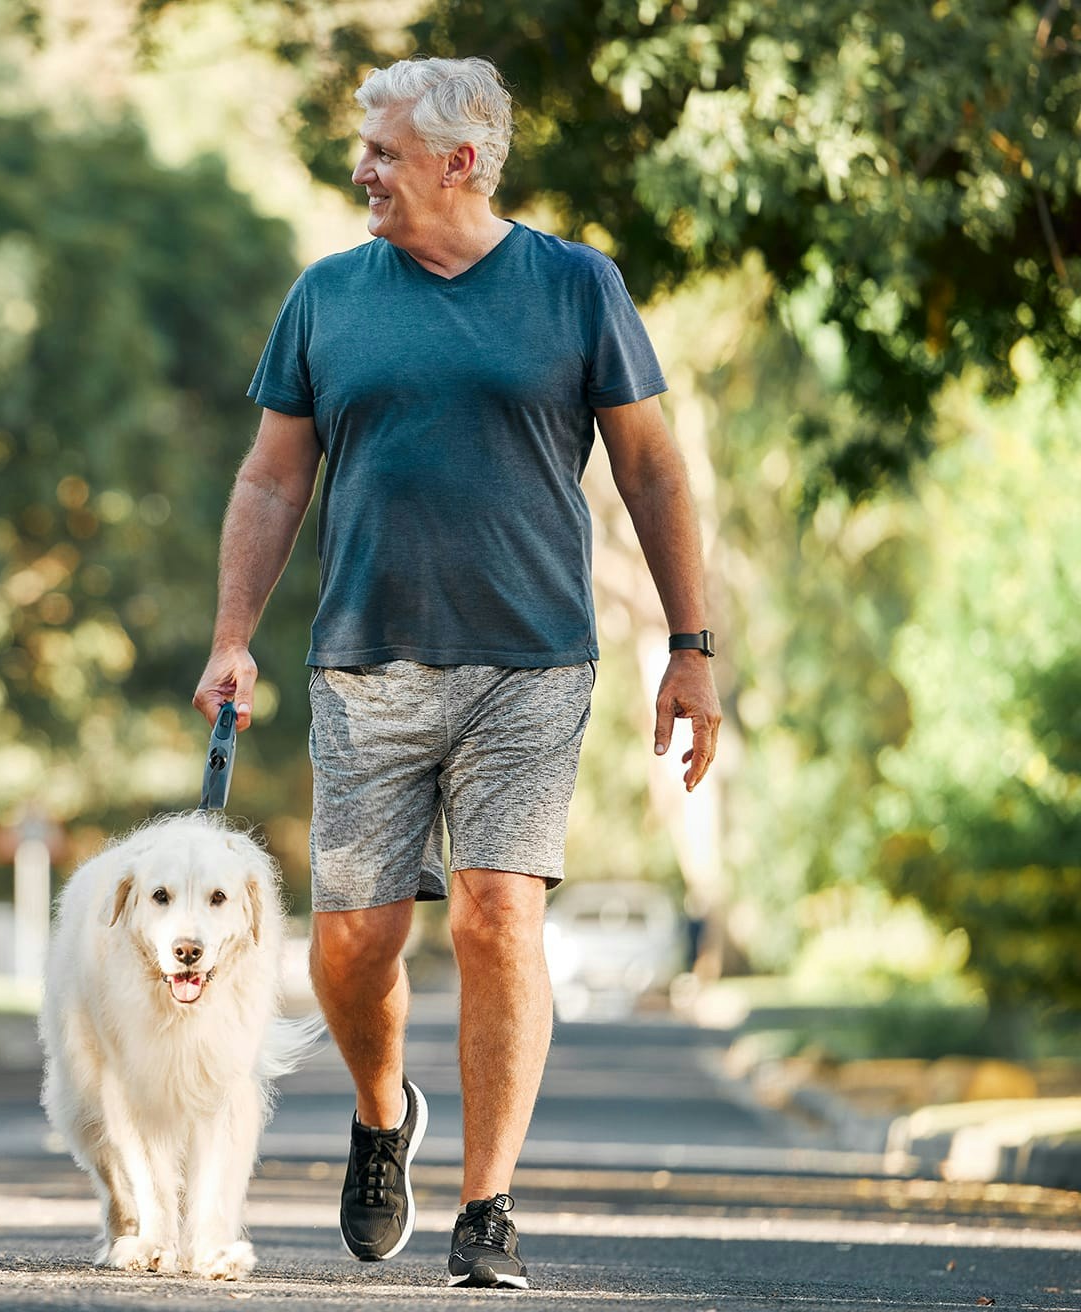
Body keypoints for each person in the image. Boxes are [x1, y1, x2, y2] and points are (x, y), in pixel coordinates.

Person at [191, 56, 721, 1290]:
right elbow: (273, 480)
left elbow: (651, 470)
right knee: (350, 945)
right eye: (363, 147)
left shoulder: (576, 286)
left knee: (498, 913)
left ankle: (488, 1206)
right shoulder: (327, 296)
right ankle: (386, 1115)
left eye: (381, 150)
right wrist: (232, 635)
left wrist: (690, 647)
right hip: (363, 658)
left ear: (460, 162)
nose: (361, 168)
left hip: (531, 658)